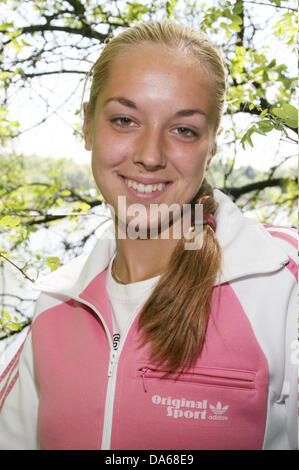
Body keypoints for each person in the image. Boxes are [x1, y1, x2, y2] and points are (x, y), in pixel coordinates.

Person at [0, 20, 297, 451]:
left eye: (183, 130)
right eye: (125, 120)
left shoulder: (282, 282)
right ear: (87, 125)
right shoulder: (58, 304)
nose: (150, 156)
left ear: (212, 143)